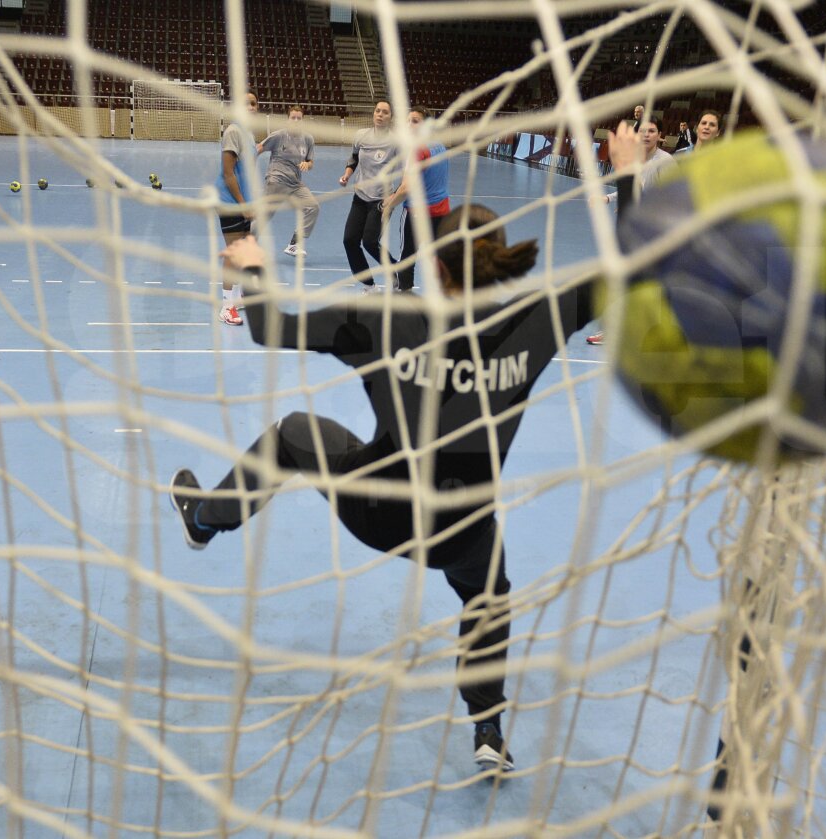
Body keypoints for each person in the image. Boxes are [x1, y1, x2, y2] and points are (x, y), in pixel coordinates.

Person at [167, 125, 650, 769]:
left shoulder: (388, 323)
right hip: (460, 530)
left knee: (291, 435)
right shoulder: (529, 327)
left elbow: (265, 325)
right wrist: (625, 175)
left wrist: (251, 266)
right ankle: (488, 731)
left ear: (437, 266)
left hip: (380, 509)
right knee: (488, 595)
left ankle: (204, 519)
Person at [586, 119, 675, 345]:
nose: (646, 134)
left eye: (652, 130)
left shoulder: (666, 162)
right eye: (642, 130)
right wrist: (608, 198)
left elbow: (671, 196)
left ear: (660, 135)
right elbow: (633, 188)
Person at [381, 108, 450, 292]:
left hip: (417, 214)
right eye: (408, 121)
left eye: (415, 121)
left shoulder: (416, 151)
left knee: (408, 255)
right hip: (442, 212)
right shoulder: (439, 146)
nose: (410, 125)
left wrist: (390, 204)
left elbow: (407, 188)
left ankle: (406, 293)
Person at [339, 101, 395, 289]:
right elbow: (354, 157)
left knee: (370, 242)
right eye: (377, 111)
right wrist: (347, 173)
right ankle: (368, 284)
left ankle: (394, 269)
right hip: (360, 197)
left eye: (385, 112)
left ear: (390, 117)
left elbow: (406, 172)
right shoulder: (361, 136)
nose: (380, 114)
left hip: (382, 200)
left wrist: (393, 196)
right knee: (349, 240)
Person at [215, 91, 259, 326]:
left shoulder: (248, 134)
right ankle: (226, 307)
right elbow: (228, 172)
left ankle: (239, 296)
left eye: (253, 104)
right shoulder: (233, 132)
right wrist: (243, 204)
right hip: (230, 201)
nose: (249, 108)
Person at [257, 105, 319, 257]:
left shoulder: (308, 139)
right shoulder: (279, 136)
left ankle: (294, 244)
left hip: (295, 184)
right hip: (277, 180)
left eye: (299, 118)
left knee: (312, 207)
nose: (296, 121)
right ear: (288, 119)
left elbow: (310, 162)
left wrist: (307, 164)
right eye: (293, 118)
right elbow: (259, 148)